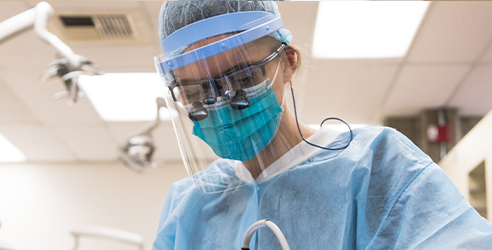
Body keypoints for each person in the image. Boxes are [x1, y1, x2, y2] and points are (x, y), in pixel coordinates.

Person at [152, 1, 492, 249]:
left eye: (242, 77)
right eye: (196, 91)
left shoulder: (377, 168)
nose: (223, 106)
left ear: (288, 62)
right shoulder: (188, 208)